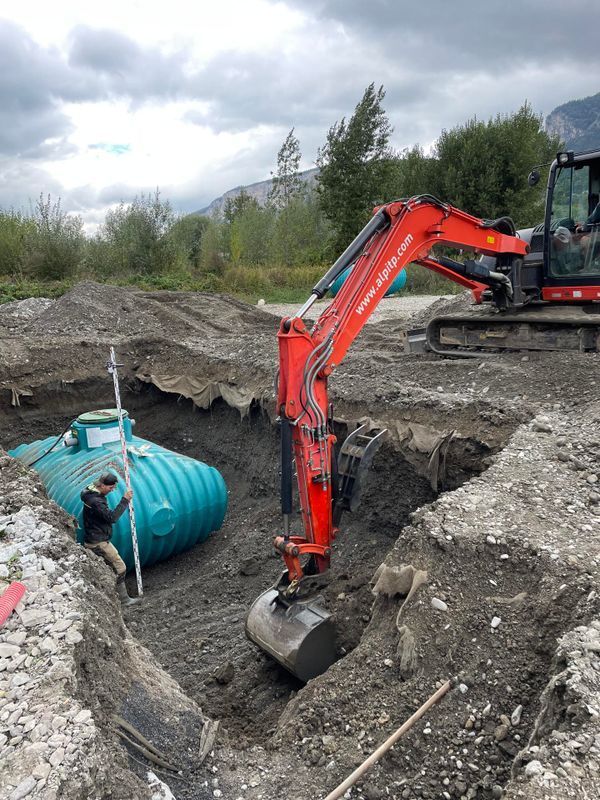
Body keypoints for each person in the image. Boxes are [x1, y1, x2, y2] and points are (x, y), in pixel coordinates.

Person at [81, 473, 139, 606]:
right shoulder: (96, 502)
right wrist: (125, 500)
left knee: (111, 568)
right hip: (97, 542)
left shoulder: (90, 492)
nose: (112, 490)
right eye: (110, 487)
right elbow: (111, 517)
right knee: (120, 568)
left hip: (96, 538)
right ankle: (123, 600)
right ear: (101, 485)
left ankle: (114, 597)